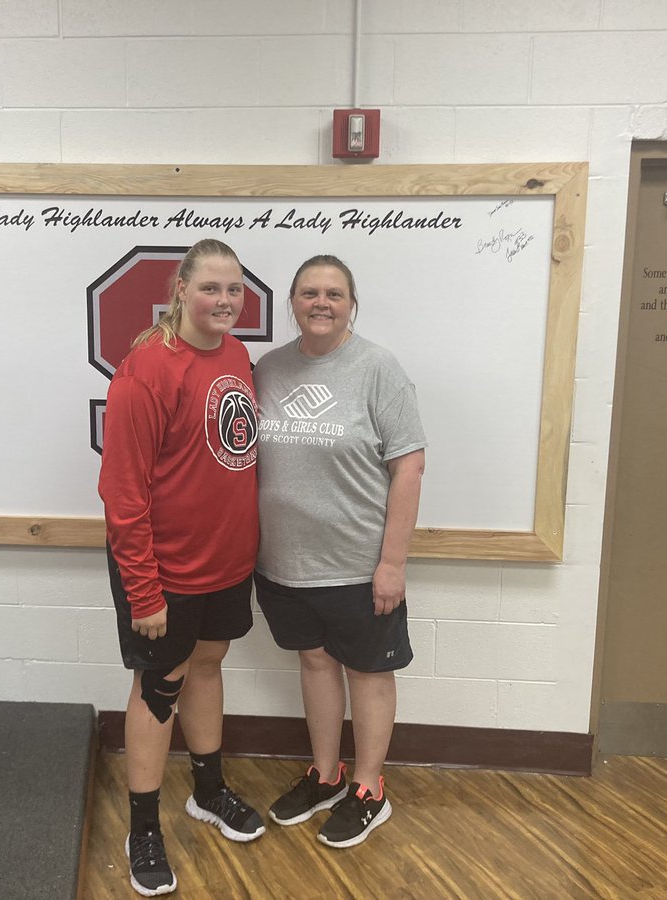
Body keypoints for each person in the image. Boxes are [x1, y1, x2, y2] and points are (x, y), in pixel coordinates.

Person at [99, 238, 264, 897]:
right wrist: (143, 592)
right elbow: (121, 493)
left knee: (207, 665)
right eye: (211, 289)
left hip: (227, 562)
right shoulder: (146, 370)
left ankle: (207, 789)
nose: (224, 301)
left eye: (234, 290)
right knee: (159, 684)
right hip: (162, 574)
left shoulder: (238, 354)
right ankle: (144, 826)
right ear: (180, 291)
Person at [253, 254, 426, 848]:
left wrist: (392, 563)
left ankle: (370, 789)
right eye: (308, 293)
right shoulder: (268, 369)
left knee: (369, 674)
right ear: (292, 302)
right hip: (282, 563)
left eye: (333, 293)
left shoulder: (378, 368)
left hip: (358, 564)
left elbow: (409, 466)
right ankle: (326, 775)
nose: (320, 303)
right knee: (315, 664)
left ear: (352, 303)